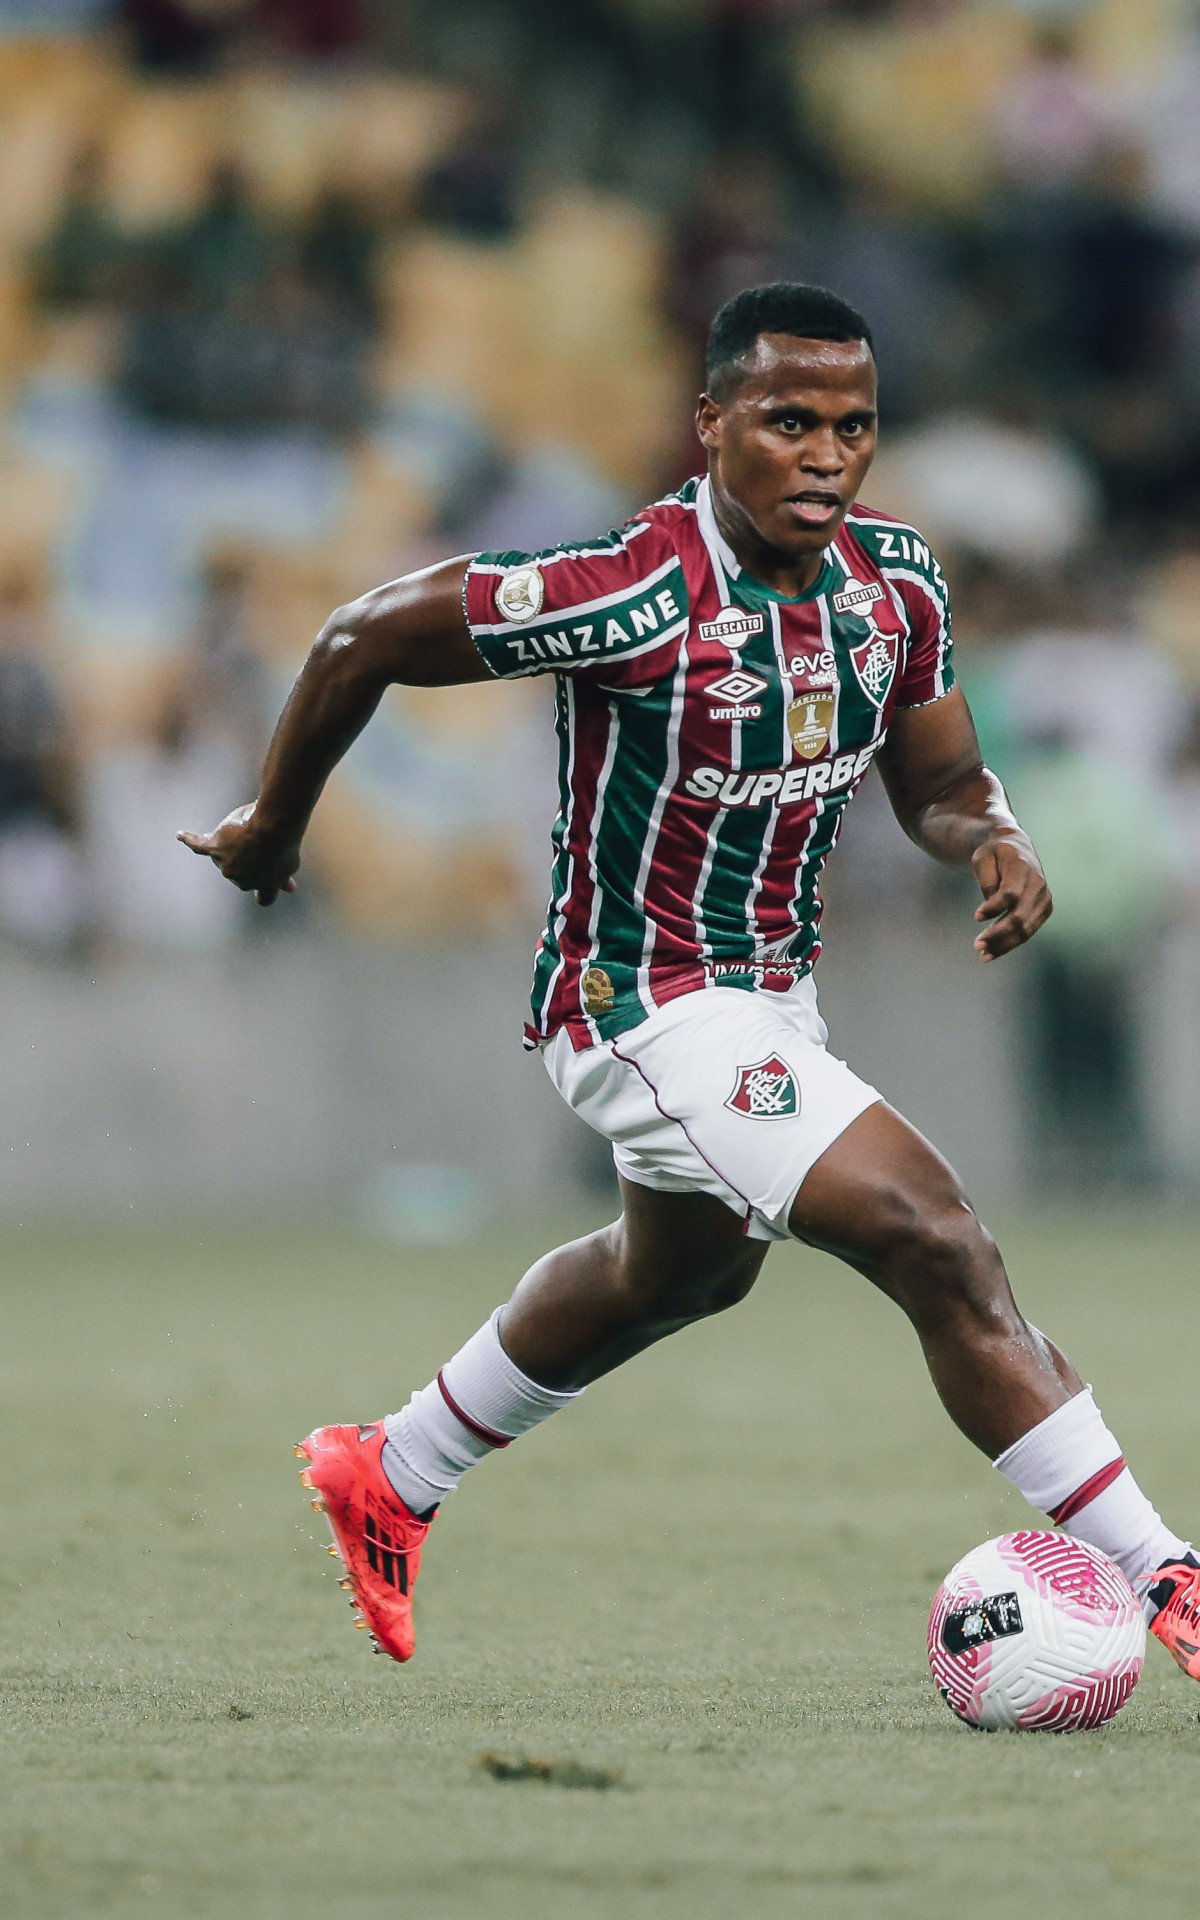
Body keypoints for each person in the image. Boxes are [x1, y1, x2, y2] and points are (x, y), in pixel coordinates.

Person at [180, 282, 1200, 1681]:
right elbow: (366, 634)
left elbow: (945, 780)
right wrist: (273, 827)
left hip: (770, 1002)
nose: (828, 455)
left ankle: (392, 1470)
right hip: (636, 999)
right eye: (790, 421)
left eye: (854, 426)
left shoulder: (896, 585)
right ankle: (1170, 1574)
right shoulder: (632, 590)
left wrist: (996, 837)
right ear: (711, 424)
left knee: (678, 1276)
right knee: (935, 1236)